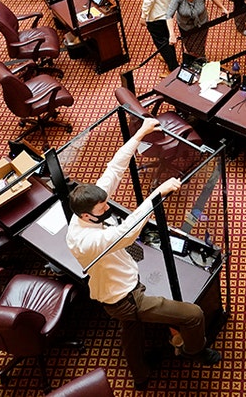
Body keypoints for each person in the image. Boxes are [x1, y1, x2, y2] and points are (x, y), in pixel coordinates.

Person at [66, 118, 221, 389]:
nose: (107, 209)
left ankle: (140, 376)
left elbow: (115, 167)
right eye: (102, 209)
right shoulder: (85, 239)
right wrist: (157, 194)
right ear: (85, 214)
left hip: (114, 291)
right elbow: (127, 233)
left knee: (132, 331)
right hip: (125, 298)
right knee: (193, 315)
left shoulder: (87, 210)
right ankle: (192, 351)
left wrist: (140, 133)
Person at [167, 0, 230, 64]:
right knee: (190, 47)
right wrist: (172, 34)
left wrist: (222, 8)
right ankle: (196, 60)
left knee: (200, 44)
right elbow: (169, 15)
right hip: (186, 27)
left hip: (202, 24)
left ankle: (201, 59)